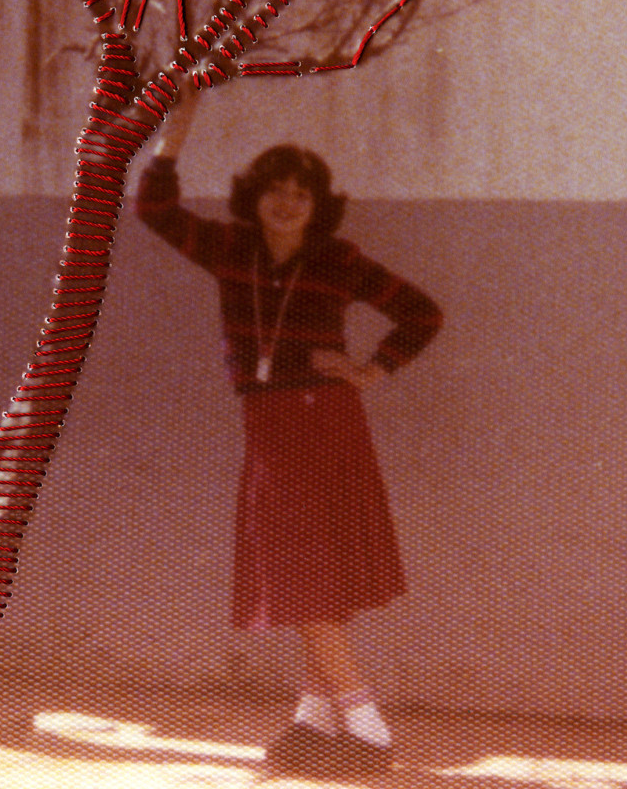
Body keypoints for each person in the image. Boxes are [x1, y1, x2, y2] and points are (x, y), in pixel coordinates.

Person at [135, 85, 443, 778]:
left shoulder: (338, 258)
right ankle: (312, 718)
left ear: (316, 205)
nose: (285, 203)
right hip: (270, 423)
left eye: (299, 194)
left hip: (326, 420)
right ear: (254, 197)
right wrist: (177, 128)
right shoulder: (228, 247)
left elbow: (422, 313)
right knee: (314, 574)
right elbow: (152, 209)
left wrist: (373, 369)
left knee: (303, 573)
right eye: (274, 190)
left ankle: (366, 729)